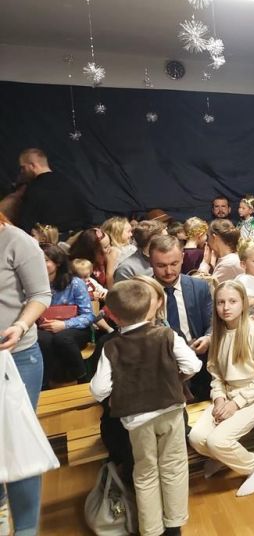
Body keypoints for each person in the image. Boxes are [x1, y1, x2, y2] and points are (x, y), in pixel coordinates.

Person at [90, 280, 201, 536]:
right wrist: (175, 380)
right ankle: (174, 526)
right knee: (174, 467)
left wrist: (120, 393)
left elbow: (99, 390)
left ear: (112, 315)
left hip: (136, 420)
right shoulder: (167, 335)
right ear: (150, 306)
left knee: (145, 473)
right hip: (171, 412)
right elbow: (193, 366)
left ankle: (152, 530)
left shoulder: (111, 347)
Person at [188, 281, 254, 497]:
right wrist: (219, 398)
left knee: (218, 441)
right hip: (226, 396)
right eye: (220, 302)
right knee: (196, 437)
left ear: (243, 303)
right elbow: (215, 373)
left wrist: (236, 403)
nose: (226, 307)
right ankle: (223, 458)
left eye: (232, 301)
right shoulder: (218, 333)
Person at [0, 212, 52, 536]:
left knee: (17, 440)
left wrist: (20, 325)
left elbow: (40, 295)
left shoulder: (17, 241)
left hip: (17, 357)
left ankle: (26, 528)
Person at [149, 235, 213, 400]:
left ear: (183, 258)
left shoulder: (199, 286)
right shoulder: (142, 291)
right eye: (161, 265)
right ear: (150, 262)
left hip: (198, 358)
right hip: (158, 364)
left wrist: (208, 338)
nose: (169, 271)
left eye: (174, 264)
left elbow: (212, 322)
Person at [38, 245, 95, 388]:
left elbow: (88, 316)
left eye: (45, 260)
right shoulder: (33, 283)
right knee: (44, 340)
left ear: (57, 262)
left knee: (62, 338)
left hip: (74, 328)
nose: (40, 263)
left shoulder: (75, 283)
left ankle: (82, 378)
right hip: (44, 327)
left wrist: (64, 325)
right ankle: (45, 383)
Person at [16, 148, 91, 237]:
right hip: (80, 236)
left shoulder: (34, 189)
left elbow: (25, 225)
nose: (22, 171)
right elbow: (87, 214)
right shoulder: (69, 182)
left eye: (23, 167)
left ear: (33, 165)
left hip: (54, 241)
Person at [200, 219, 243, 283]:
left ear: (214, 237)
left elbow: (204, 286)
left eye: (208, 237)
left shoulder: (229, 263)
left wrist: (205, 263)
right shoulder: (229, 259)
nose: (207, 242)